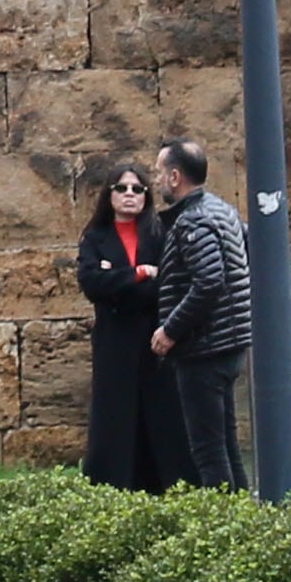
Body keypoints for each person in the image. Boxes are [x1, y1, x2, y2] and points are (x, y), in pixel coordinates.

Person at [71, 162, 182, 490]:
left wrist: (118, 282)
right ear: (110, 195)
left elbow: (167, 284)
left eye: (137, 189)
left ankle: (162, 487)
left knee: (160, 413)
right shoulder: (96, 237)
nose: (129, 195)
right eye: (121, 188)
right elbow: (92, 283)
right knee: (114, 415)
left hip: (154, 337)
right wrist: (138, 274)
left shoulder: (159, 234)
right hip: (114, 340)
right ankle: (112, 487)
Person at [149, 138, 252, 490]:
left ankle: (221, 517)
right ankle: (242, 514)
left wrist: (171, 330)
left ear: (175, 177)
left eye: (160, 172)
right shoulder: (223, 211)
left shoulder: (192, 221)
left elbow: (208, 282)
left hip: (204, 349)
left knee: (208, 451)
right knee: (227, 445)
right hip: (228, 343)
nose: (157, 180)